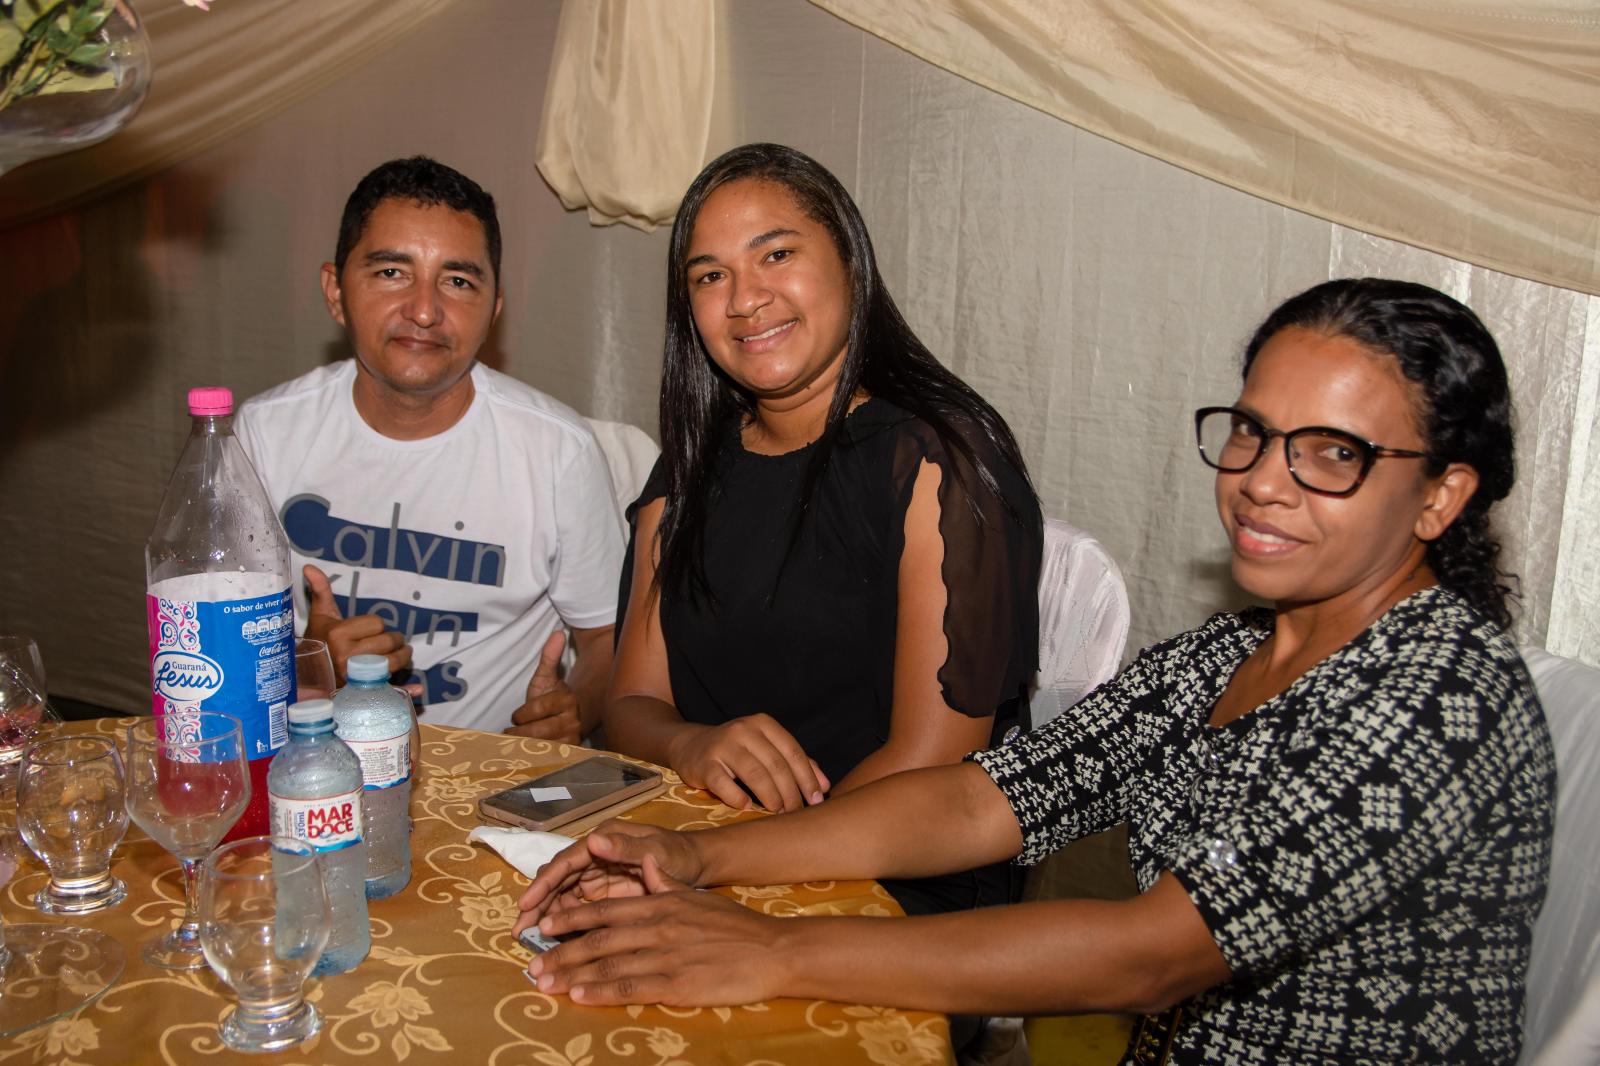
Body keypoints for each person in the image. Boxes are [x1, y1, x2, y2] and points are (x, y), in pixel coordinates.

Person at [515, 279, 1557, 1065]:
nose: (1260, 483)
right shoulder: (1241, 647)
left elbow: (1152, 953)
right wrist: (703, 857)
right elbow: (987, 798)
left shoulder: (1438, 690)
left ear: (1439, 497)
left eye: (1330, 454)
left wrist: (775, 950)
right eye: (1250, 432)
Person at [601, 143, 1043, 918]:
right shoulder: (691, 463)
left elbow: (930, 764)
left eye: (776, 254)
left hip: (890, 878)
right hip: (700, 845)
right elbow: (630, 703)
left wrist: (726, 860)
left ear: (849, 260)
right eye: (710, 276)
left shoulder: (942, 460)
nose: (744, 300)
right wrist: (689, 746)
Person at [236, 157, 624, 741]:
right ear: (336, 291)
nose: (424, 309)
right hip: (312, 763)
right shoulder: (263, 436)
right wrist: (307, 666)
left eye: (458, 281)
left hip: (490, 783)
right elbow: (214, 646)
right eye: (392, 272)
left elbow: (608, 639)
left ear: (494, 311)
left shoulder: (556, 452)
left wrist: (580, 709)